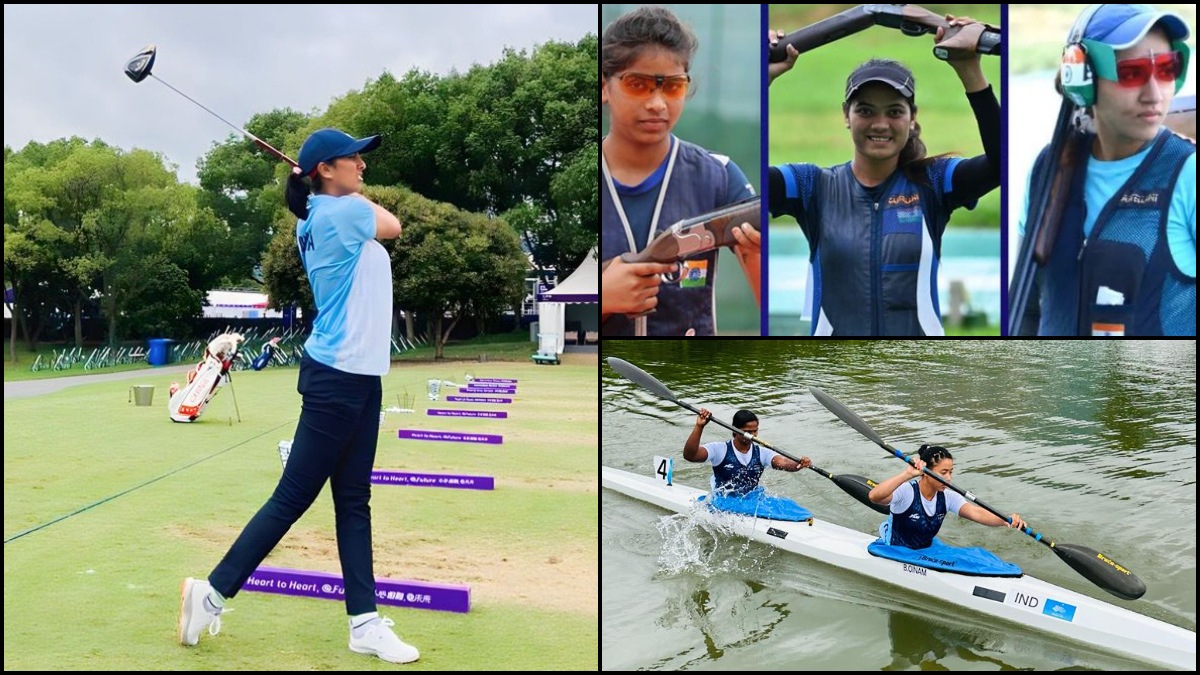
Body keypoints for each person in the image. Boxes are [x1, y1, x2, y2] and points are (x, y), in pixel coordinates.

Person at [177, 127, 418, 664]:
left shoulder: (318, 215)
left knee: (353, 501)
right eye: (353, 158)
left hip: (360, 377)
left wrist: (318, 182)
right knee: (293, 498)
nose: (363, 165)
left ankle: (364, 623)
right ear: (325, 170)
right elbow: (394, 225)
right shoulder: (341, 212)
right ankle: (210, 595)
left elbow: (363, 219)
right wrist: (327, 187)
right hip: (338, 377)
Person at [768, 15, 1001, 336]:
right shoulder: (811, 186)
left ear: (912, 118)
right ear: (846, 115)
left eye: (894, 111)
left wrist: (968, 69)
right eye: (866, 110)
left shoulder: (933, 182)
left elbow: (1000, 163)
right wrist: (763, 78)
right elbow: (750, 187)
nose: (880, 124)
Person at [1016, 4, 1195, 336]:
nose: (1154, 95)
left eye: (1166, 68)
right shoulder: (1049, 168)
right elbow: (1026, 307)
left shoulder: (1189, 173)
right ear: (1083, 79)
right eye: (1131, 73)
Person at [601, 5, 761, 337]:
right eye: (637, 84)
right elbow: (553, 302)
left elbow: (767, 301)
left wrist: (756, 252)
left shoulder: (719, 175)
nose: (657, 104)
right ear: (604, 86)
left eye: (673, 87)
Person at [868, 444, 1025, 549]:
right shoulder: (907, 492)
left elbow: (976, 513)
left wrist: (1005, 520)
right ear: (926, 473)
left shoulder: (948, 497)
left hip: (925, 551)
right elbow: (874, 497)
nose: (949, 478)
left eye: (950, 472)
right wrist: (907, 474)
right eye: (943, 473)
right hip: (895, 549)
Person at [683, 408, 810, 496]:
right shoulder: (719, 449)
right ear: (735, 430)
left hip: (751, 499)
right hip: (724, 500)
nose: (753, 435)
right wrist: (699, 426)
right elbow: (690, 456)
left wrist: (798, 464)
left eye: (755, 430)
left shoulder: (762, 452)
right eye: (748, 431)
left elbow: (783, 462)